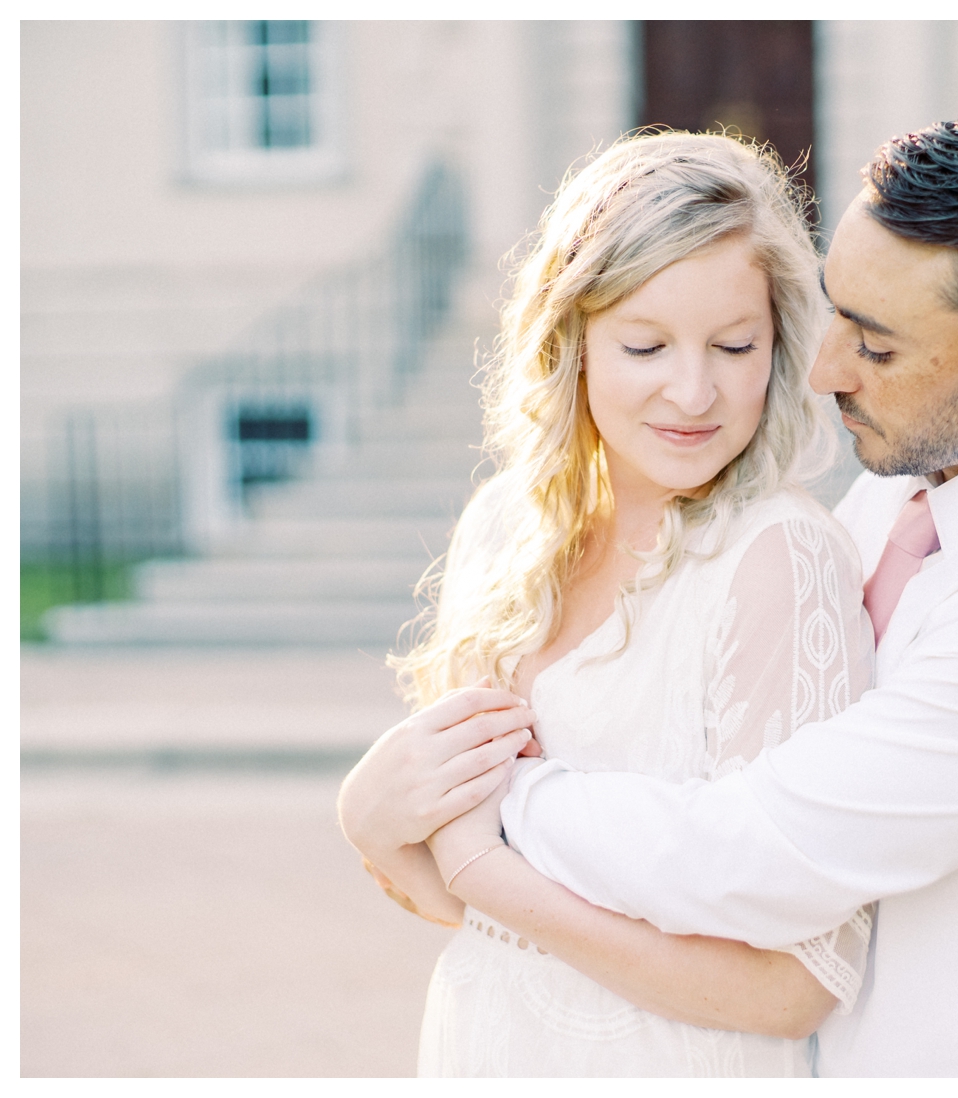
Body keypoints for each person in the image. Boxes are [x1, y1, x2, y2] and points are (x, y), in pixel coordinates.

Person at [474, 102, 958, 1076]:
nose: (822, 369)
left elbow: (760, 855)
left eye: (875, 346)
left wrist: (488, 805)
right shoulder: (913, 482)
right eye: (834, 311)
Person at [337, 130, 877, 1077]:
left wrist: (478, 868)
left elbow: (795, 986)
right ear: (572, 344)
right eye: (644, 344)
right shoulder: (509, 529)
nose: (693, 390)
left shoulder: (777, 560)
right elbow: (470, 912)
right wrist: (370, 822)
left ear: (779, 346)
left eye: (734, 345)